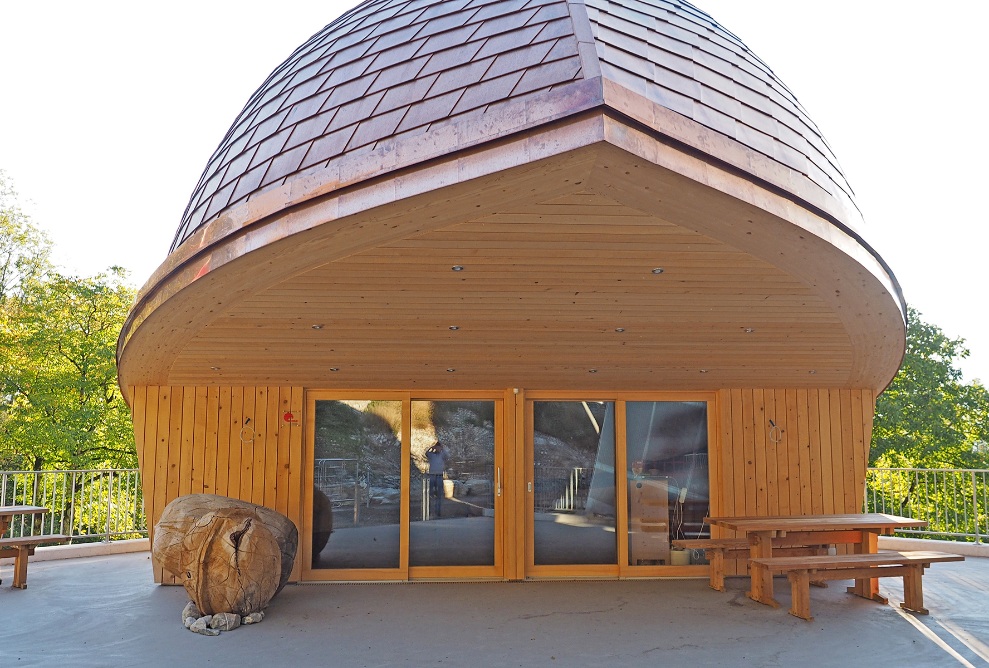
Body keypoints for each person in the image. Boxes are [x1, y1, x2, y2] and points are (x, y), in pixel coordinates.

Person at [425, 441, 449, 517]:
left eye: (439, 447)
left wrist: (442, 448)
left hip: (439, 476)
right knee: (431, 494)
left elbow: (447, 455)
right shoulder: (432, 455)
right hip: (432, 476)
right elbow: (426, 453)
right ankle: (429, 510)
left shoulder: (442, 455)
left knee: (439, 494)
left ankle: (438, 511)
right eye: (437, 447)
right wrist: (431, 448)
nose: (438, 449)